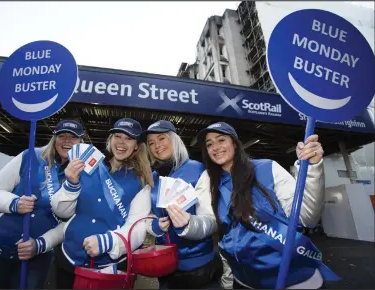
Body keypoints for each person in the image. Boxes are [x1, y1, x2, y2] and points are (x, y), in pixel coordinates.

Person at [197, 122, 340, 289]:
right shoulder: (208, 181)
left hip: (295, 280)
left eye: (221, 140)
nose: (215, 147)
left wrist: (313, 168)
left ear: (234, 143)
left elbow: (307, 217)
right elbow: (217, 231)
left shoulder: (268, 168)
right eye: (209, 144)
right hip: (244, 282)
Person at [0, 119, 84, 289]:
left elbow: (70, 222)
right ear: (54, 138)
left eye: (73, 137)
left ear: (81, 142)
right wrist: (14, 203)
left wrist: (40, 244)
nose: (67, 141)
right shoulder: (31, 156)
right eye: (62, 136)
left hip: (35, 257)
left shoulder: (84, 176)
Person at [50, 118, 153, 289]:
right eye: (117, 136)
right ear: (110, 139)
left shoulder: (141, 181)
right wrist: (71, 184)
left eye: (128, 138)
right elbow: (61, 212)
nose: (121, 142)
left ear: (136, 145)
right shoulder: (88, 164)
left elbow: (137, 227)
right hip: (68, 259)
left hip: (108, 268)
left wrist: (109, 242)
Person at [141, 120, 222, 289]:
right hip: (165, 267)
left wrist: (189, 225)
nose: (157, 145)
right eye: (151, 143)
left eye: (162, 138)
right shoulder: (152, 178)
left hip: (200, 268)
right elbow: (146, 215)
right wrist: (153, 226)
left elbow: (212, 220)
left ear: (174, 140)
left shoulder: (199, 171)